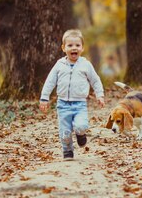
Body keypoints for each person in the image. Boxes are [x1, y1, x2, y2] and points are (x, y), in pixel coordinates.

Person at [39, 29, 105, 159]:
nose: (73, 48)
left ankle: (81, 134)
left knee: (80, 125)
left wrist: (100, 95)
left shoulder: (86, 65)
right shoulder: (59, 65)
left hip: (79, 104)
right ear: (63, 48)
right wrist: (44, 98)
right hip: (63, 104)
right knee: (65, 132)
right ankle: (67, 150)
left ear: (82, 48)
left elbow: (95, 80)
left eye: (77, 45)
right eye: (70, 45)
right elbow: (50, 81)